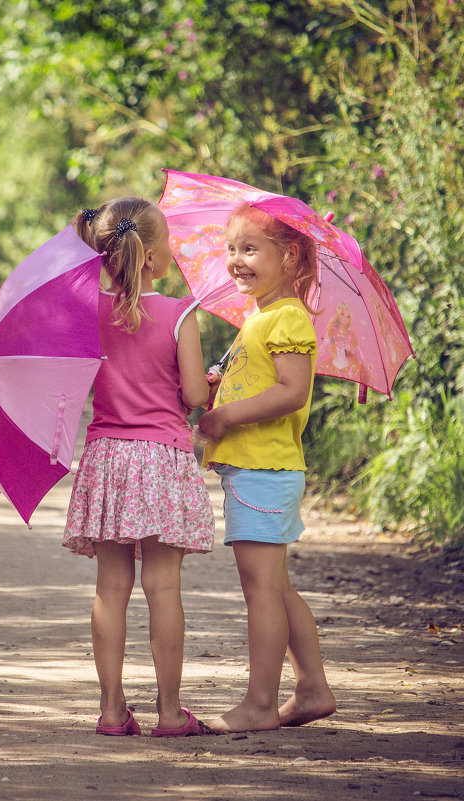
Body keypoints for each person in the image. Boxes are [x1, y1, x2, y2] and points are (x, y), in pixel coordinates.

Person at [63, 197, 215, 737]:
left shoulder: (85, 313)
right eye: (170, 242)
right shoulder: (178, 315)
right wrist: (206, 385)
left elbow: (78, 384)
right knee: (163, 587)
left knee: (110, 590)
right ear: (151, 256)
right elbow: (194, 395)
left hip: (107, 458)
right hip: (161, 459)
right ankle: (170, 713)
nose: (174, 251)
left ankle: (110, 711)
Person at [195, 202, 337, 733]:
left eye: (250, 249)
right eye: (231, 249)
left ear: (292, 256)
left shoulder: (287, 316)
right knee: (275, 588)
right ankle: (313, 690)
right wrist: (221, 385)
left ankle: (259, 704)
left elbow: (292, 391)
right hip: (257, 472)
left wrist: (225, 414)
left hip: (265, 471)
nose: (236, 260)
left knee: (260, 590)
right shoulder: (258, 316)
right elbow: (262, 380)